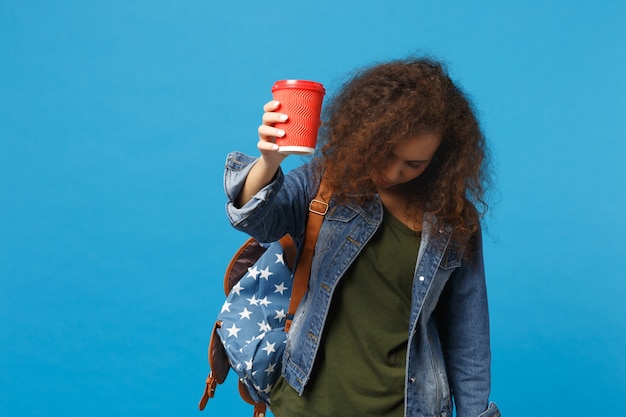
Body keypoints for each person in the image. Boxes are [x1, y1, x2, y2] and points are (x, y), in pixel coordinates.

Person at [223, 57, 500, 417]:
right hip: (306, 405)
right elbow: (260, 222)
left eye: (414, 164)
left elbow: (469, 339)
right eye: (386, 153)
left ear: (441, 158)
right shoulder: (327, 182)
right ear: (369, 133)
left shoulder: (453, 220)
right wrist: (269, 162)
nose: (392, 171)